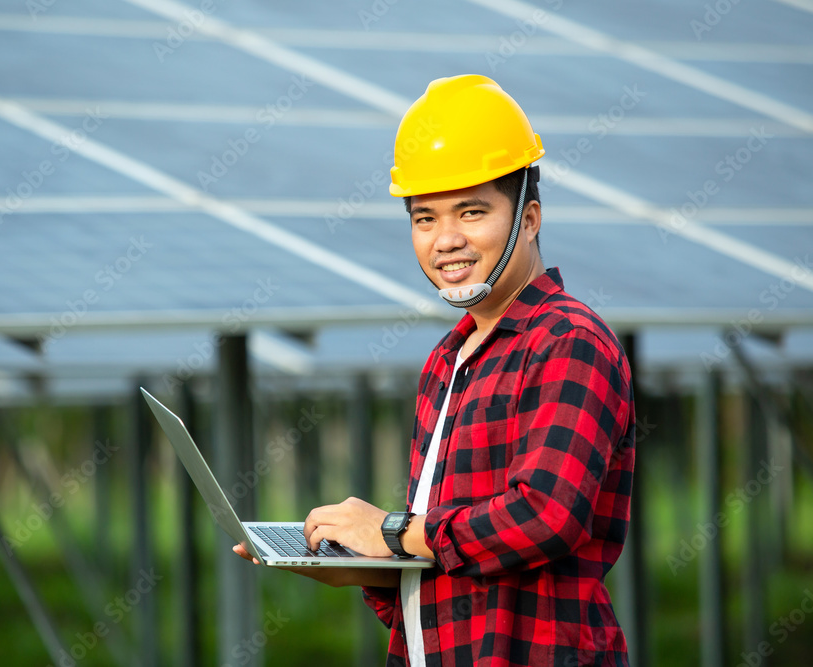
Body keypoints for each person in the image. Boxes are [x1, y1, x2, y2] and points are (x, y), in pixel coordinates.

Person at [235, 74, 635, 666]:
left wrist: (391, 532)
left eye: (471, 212)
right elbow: (449, 567)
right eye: (424, 218)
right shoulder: (447, 361)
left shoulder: (567, 340)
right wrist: (361, 567)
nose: (446, 240)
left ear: (529, 218)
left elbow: (545, 517)